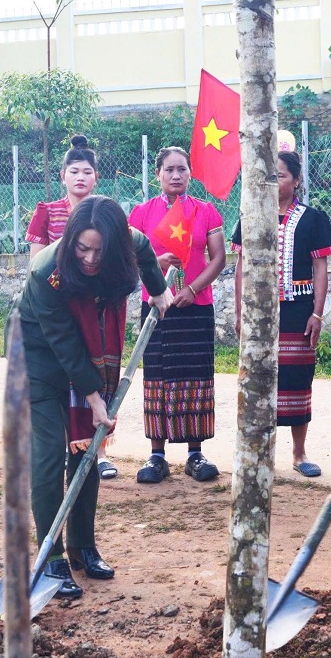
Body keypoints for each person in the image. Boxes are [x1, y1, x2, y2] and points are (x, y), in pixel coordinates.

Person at [17, 196, 171, 597]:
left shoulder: (128, 239)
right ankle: (51, 557)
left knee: (85, 452)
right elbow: (63, 342)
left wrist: (158, 291)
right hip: (39, 355)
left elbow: (145, 250)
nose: (88, 258)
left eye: (99, 251)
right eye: (81, 248)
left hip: (89, 350)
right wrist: (94, 396)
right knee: (51, 456)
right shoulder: (45, 272)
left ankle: (83, 546)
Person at [128, 147, 226, 484]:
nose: (176, 175)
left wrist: (192, 289)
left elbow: (218, 259)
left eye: (182, 169)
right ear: (158, 174)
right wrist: (157, 268)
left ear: (190, 173)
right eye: (169, 169)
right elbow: (130, 259)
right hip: (157, 304)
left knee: (194, 376)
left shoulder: (206, 211)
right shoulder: (141, 214)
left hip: (196, 306)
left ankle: (195, 454)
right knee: (157, 375)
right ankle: (156, 456)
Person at [232, 151, 331, 477]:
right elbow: (241, 267)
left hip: (298, 311)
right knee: (258, 381)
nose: (275, 182)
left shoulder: (315, 219)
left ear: (297, 180)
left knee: (297, 380)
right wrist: (239, 313)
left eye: (282, 176)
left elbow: (320, 268)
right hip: (258, 313)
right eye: (269, 176)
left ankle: (299, 454)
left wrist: (316, 314)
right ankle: (260, 454)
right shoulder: (250, 216)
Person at [25, 135, 118, 480]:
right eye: (74, 171)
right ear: (63, 174)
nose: (80, 177)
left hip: (94, 307)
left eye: (87, 171)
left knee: (97, 376)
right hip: (56, 305)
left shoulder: (105, 213)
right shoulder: (47, 212)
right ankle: (64, 446)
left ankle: (99, 448)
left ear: (96, 177)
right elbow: (36, 266)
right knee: (64, 380)